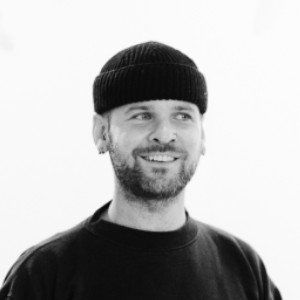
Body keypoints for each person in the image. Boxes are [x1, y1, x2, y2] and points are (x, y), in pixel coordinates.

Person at [0, 41, 282, 300]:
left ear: (202, 134)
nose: (164, 134)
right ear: (101, 132)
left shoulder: (243, 267)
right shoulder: (44, 274)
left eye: (182, 116)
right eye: (142, 115)